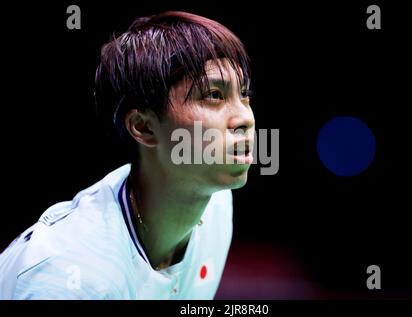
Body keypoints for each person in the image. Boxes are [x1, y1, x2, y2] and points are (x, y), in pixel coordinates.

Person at [0, 11, 255, 299]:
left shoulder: (217, 204)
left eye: (244, 94)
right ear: (144, 127)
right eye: (214, 95)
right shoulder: (66, 276)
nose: (244, 117)